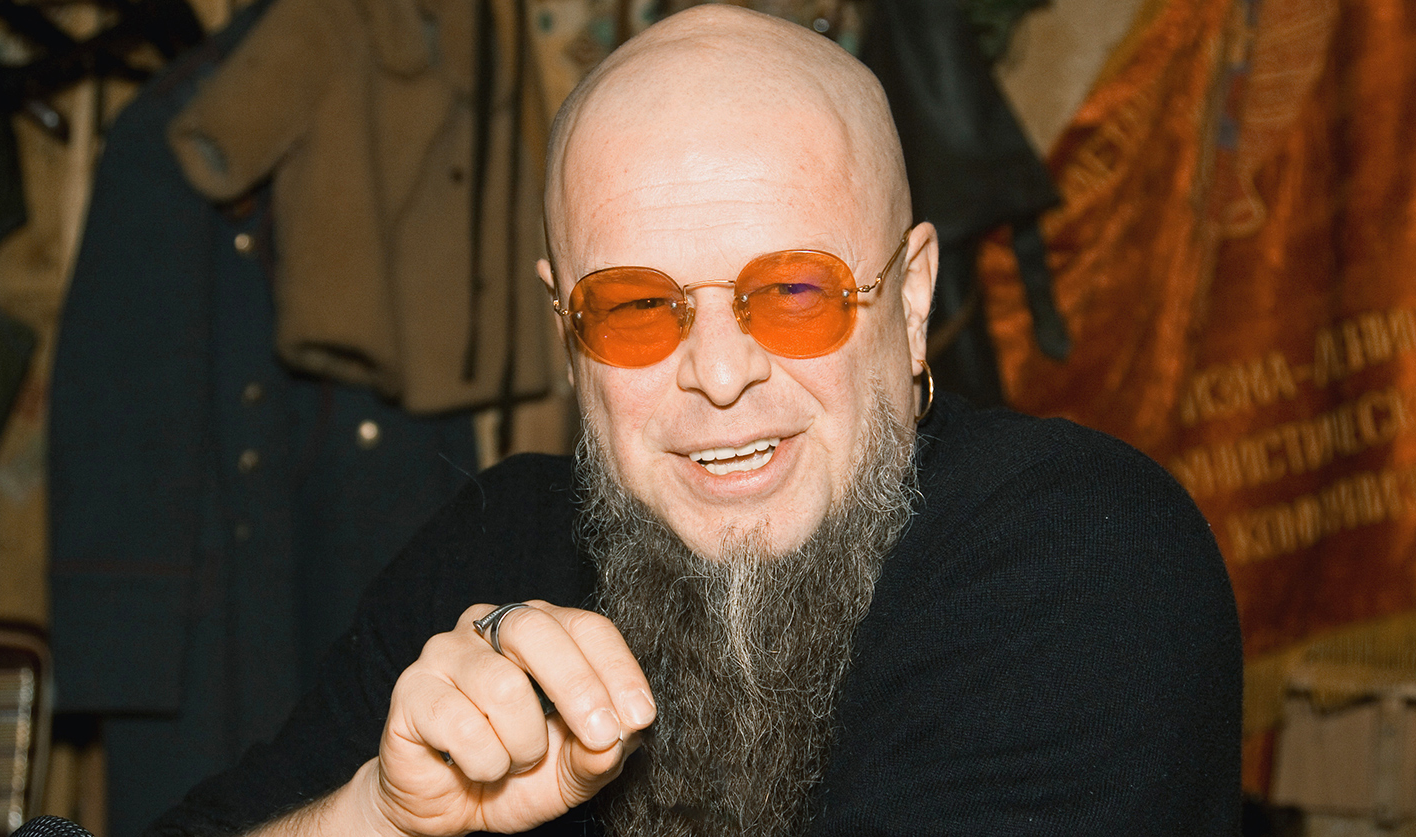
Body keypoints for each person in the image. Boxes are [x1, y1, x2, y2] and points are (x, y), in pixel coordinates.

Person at [148, 6, 1242, 837]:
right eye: (635, 309)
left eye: (795, 293)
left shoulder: (1083, 549)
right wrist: (372, 820)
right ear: (565, 330)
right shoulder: (486, 557)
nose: (718, 375)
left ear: (910, 302)